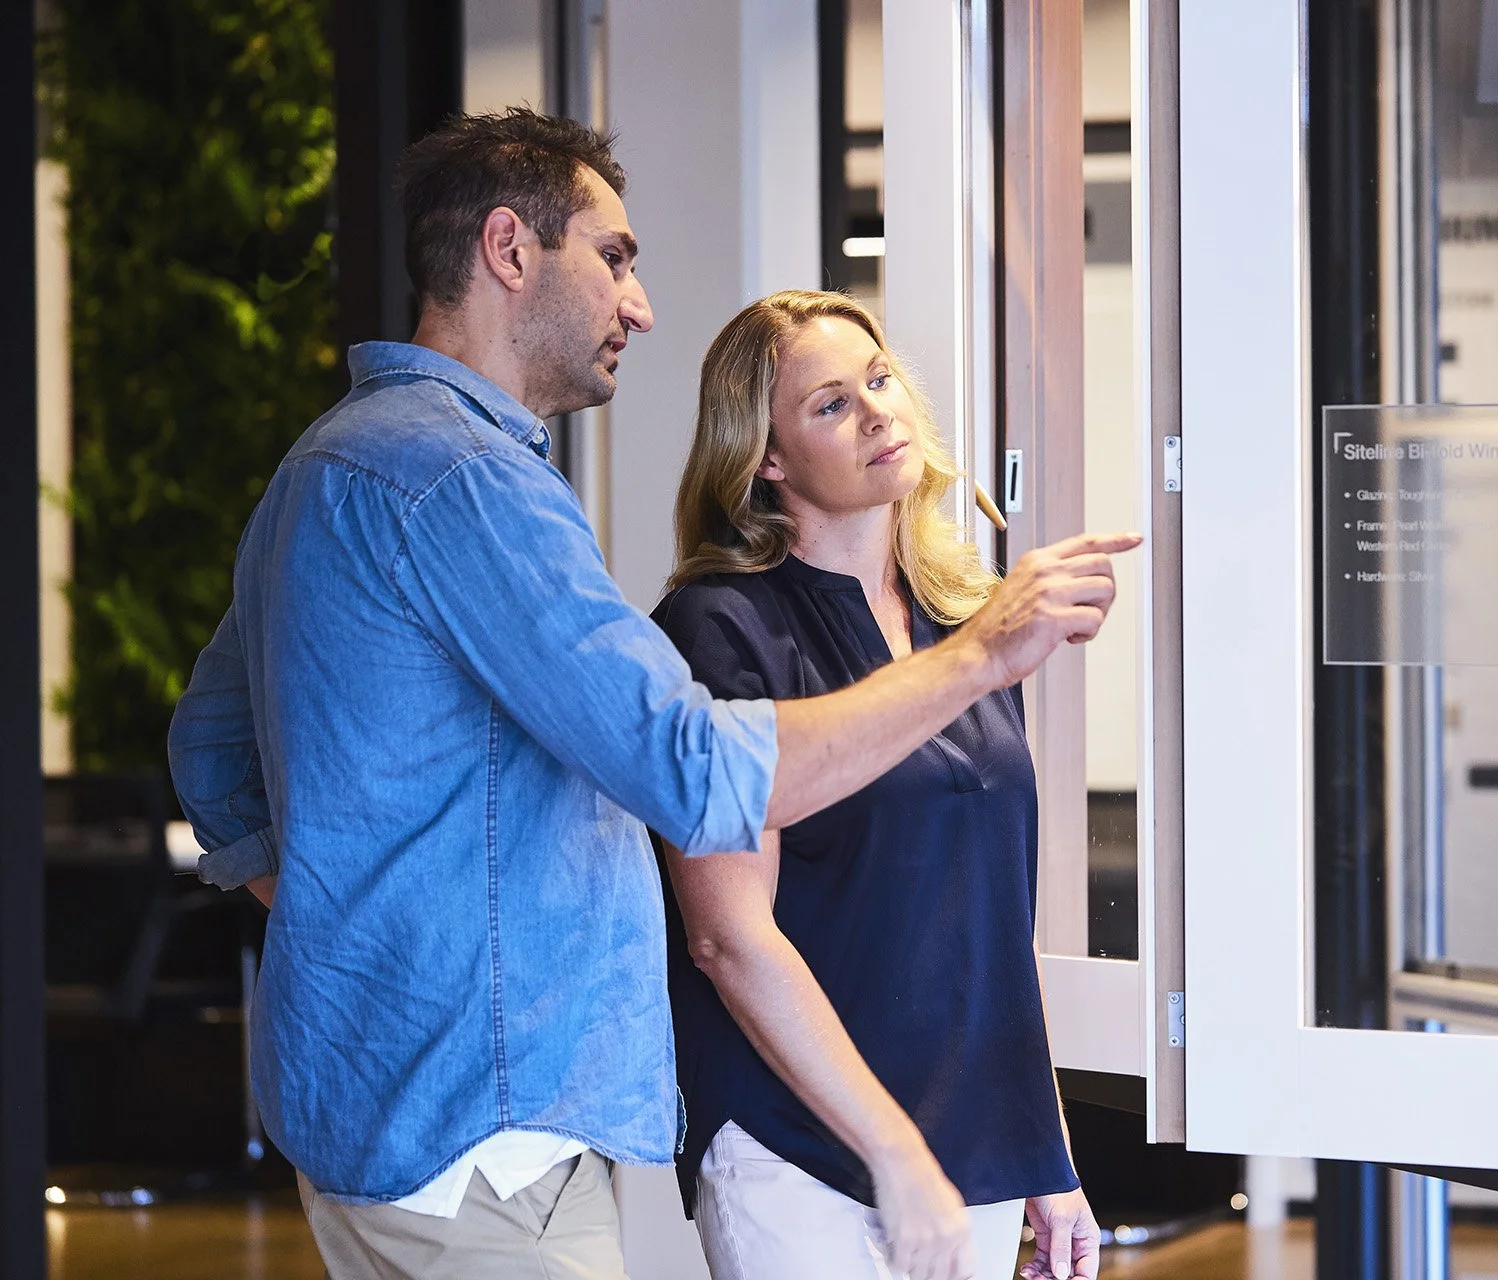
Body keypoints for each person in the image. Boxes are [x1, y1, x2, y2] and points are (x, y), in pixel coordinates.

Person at [166, 109, 1136, 1280]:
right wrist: (984, 655)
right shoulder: (471, 485)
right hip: (490, 1143)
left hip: (382, 1126)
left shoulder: (328, 465)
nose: (640, 304)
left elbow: (210, 753)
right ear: (511, 249)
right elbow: (692, 772)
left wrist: (361, 936)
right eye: (615, 257)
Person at [651, 290, 1103, 1280]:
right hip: (795, 1147)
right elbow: (729, 936)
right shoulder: (717, 626)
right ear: (764, 457)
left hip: (970, 1145)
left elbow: (992, 926)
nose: (875, 410)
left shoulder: (965, 619)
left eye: (880, 379)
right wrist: (891, 1150)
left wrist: (1046, 1149)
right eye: (828, 403)